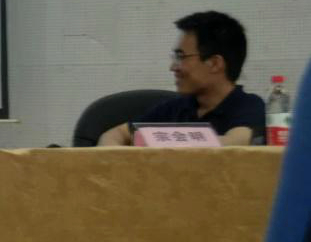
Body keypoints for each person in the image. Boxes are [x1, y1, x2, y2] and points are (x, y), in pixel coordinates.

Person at [99, 11, 265, 147]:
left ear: (215, 64)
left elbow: (235, 143)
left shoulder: (250, 106)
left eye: (181, 57)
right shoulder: (174, 108)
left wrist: (160, 140)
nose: (173, 67)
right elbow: (116, 134)